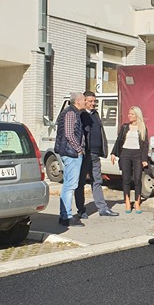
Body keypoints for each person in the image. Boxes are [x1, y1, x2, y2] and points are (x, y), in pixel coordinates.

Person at [75, 91, 118, 218]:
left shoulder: (95, 114)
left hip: (95, 154)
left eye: (95, 101)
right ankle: (81, 210)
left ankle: (103, 209)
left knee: (97, 181)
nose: (93, 104)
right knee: (81, 182)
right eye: (91, 101)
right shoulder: (80, 115)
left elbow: (100, 131)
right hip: (84, 154)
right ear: (84, 101)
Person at [54, 91, 86, 227]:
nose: (85, 102)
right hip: (71, 153)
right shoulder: (71, 113)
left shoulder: (71, 113)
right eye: (84, 99)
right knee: (70, 185)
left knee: (68, 184)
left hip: (69, 152)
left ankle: (64, 215)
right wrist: (79, 149)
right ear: (78, 101)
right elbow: (69, 134)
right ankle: (67, 216)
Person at [111, 106, 149, 213]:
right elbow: (119, 141)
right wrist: (114, 153)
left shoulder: (143, 128)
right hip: (125, 154)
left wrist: (144, 159)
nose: (129, 116)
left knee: (137, 179)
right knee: (126, 179)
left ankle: (137, 202)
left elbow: (145, 145)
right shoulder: (125, 127)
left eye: (132, 114)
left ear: (137, 116)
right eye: (129, 113)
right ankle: (127, 201)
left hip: (137, 155)